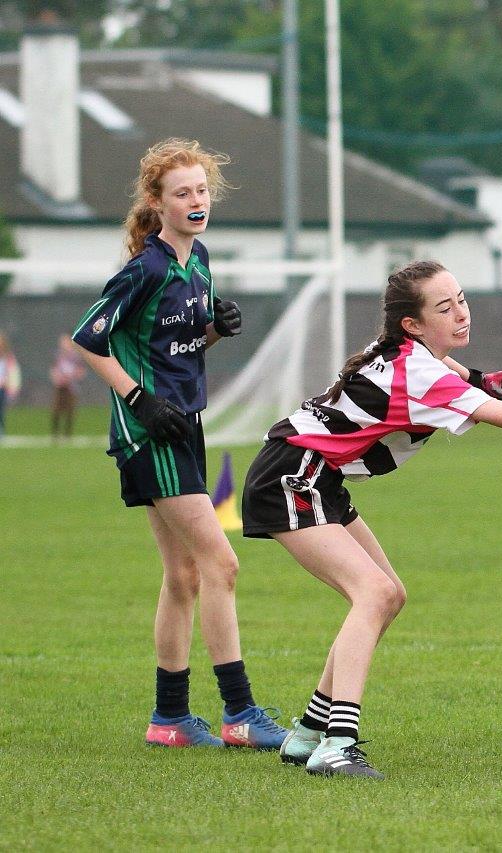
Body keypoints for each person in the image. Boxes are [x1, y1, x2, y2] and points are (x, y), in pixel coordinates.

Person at [251, 260, 502, 780]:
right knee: (373, 594)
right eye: (445, 308)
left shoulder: (412, 357)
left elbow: (444, 374)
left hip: (313, 476)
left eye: (462, 300)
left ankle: (308, 733)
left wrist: (479, 377)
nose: (461, 313)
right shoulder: (418, 371)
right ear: (413, 326)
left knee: (388, 594)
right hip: (294, 476)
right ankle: (337, 743)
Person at [72, 138, 287, 750]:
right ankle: (240, 713)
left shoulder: (200, 260)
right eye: (183, 194)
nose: (196, 202)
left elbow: (176, 349)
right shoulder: (146, 267)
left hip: (184, 426)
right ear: (157, 203)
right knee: (221, 563)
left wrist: (216, 329)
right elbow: (89, 341)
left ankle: (168, 719)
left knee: (184, 574)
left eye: (201, 191)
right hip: (149, 433)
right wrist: (139, 399)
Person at [50, 334, 85, 438]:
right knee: (56, 409)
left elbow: (81, 371)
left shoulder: (76, 356)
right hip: (60, 386)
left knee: (70, 410)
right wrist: (57, 378)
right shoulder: (58, 355)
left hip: (72, 387)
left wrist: (71, 377)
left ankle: (67, 433)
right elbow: (53, 369)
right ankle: (55, 433)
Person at [0, 332, 20, 437]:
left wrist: (12, 387)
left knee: (1, 410)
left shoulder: (8, 358)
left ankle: (1, 430)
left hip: (2, 388)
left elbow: (13, 372)